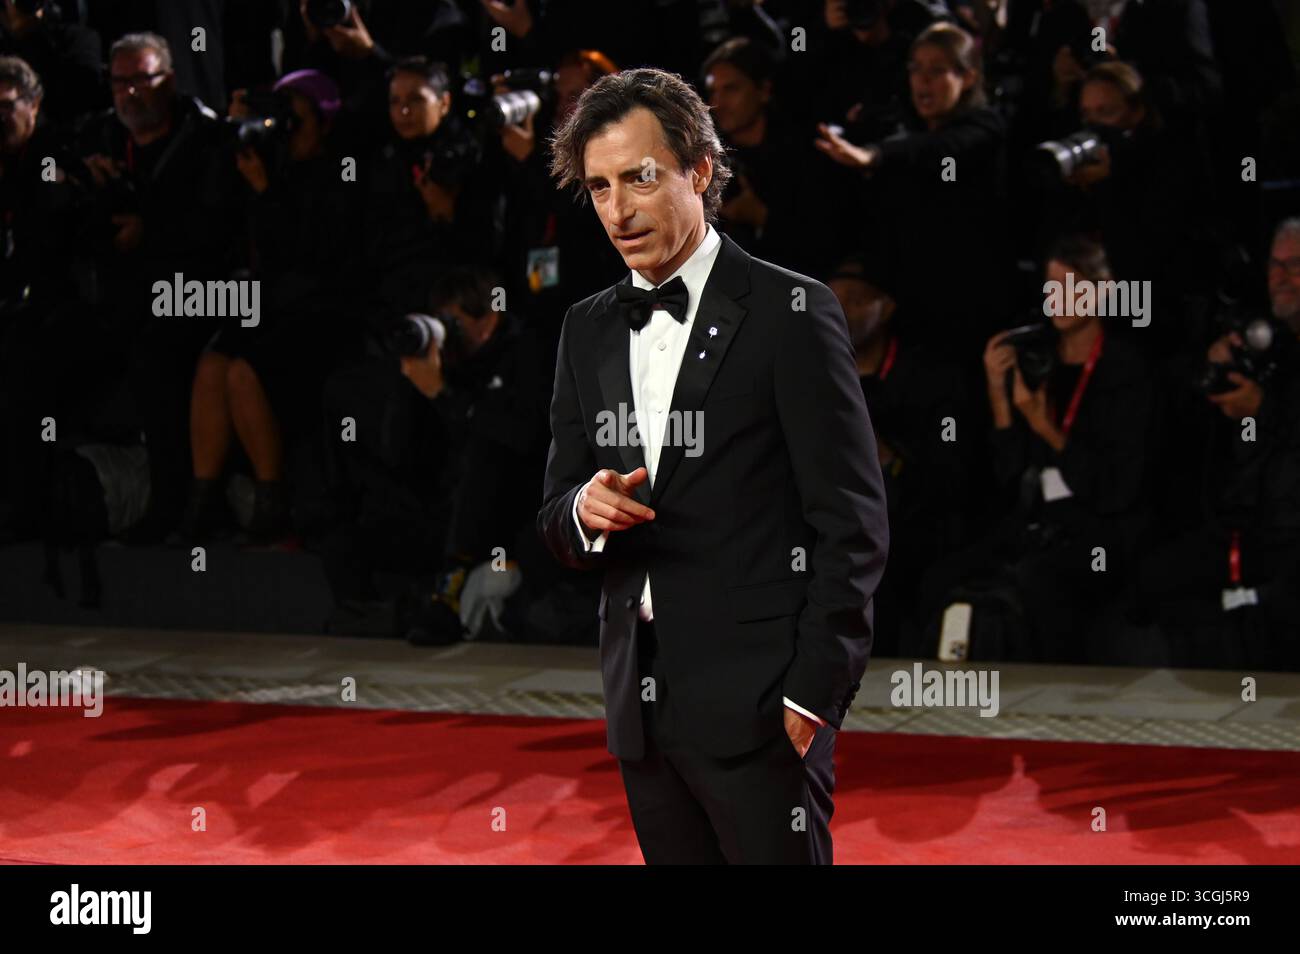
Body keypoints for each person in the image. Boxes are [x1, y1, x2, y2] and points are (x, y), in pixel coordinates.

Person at [538, 67, 889, 864]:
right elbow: (555, 510)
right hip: (642, 707)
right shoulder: (585, 329)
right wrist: (582, 513)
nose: (618, 211)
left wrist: (812, 696)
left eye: (639, 178)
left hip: (766, 707)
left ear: (698, 170)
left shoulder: (790, 313)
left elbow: (854, 525)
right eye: (597, 188)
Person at [915, 234, 1154, 664]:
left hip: (1096, 527)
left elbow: (1117, 487)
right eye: (1052, 288)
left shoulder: (1126, 368)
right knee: (939, 579)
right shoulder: (1037, 355)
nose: (1058, 300)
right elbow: (1008, 473)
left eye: (1072, 288)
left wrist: (1046, 428)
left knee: (1036, 587)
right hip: (1032, 519)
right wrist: (998, 393)